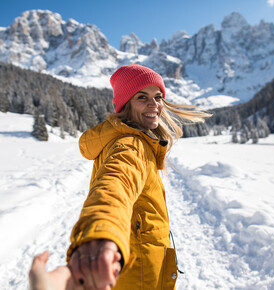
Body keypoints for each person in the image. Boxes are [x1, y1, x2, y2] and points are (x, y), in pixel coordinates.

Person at [29, 64, 211, 290]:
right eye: (142, 97)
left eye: (158, 96)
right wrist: (99, 240)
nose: (154, 104)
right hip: (139, 278)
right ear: (125, 105)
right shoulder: (131, 144)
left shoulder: (123, 137)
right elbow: (115, 187)